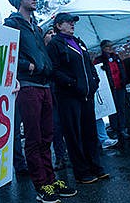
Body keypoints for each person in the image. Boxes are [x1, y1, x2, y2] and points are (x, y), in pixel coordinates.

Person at [4, 0, 76, 203]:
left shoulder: (35, 28)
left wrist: (46, 66)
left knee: (47, 136)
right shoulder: (12, 24)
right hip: (28, 86)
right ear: (19, 0)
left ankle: (51, 179)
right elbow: (8, 52)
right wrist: (29, 65)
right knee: (34, 138)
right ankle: (40, 185)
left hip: (44, 86)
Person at [46, 13, 108, 184]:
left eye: (73, 21)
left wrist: (95, 81)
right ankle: (82, 172)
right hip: (69, 96)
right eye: (68, 22)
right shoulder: (54, 45)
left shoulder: (79, 42)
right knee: (74, 135)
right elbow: (54, 71)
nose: (72, 24)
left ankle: (96, 166)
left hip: (87, 95)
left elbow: (89, 65)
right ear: (59, 25)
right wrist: (72, 84)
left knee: (90, 132)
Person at [94, 40, 130, 142]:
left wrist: (124, 80)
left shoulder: (116, 57)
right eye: (107, 46)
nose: (110, 48)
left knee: (121, 107)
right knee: (112, 109)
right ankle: (115, 128)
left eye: (110, 46)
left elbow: (121, 69)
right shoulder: (99, 60)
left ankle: (122, 128)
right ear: (103, 48)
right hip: (109, 88)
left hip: (120, 86)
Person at [43, 27, 68, 170]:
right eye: (49, 33)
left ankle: (69, 154)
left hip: (62, 90)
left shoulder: (59, 48)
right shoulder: (43, 52)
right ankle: (60, 157)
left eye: (53, 33)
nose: (52, 35)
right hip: (49, 91)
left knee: (66, 124)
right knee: (56, 125)